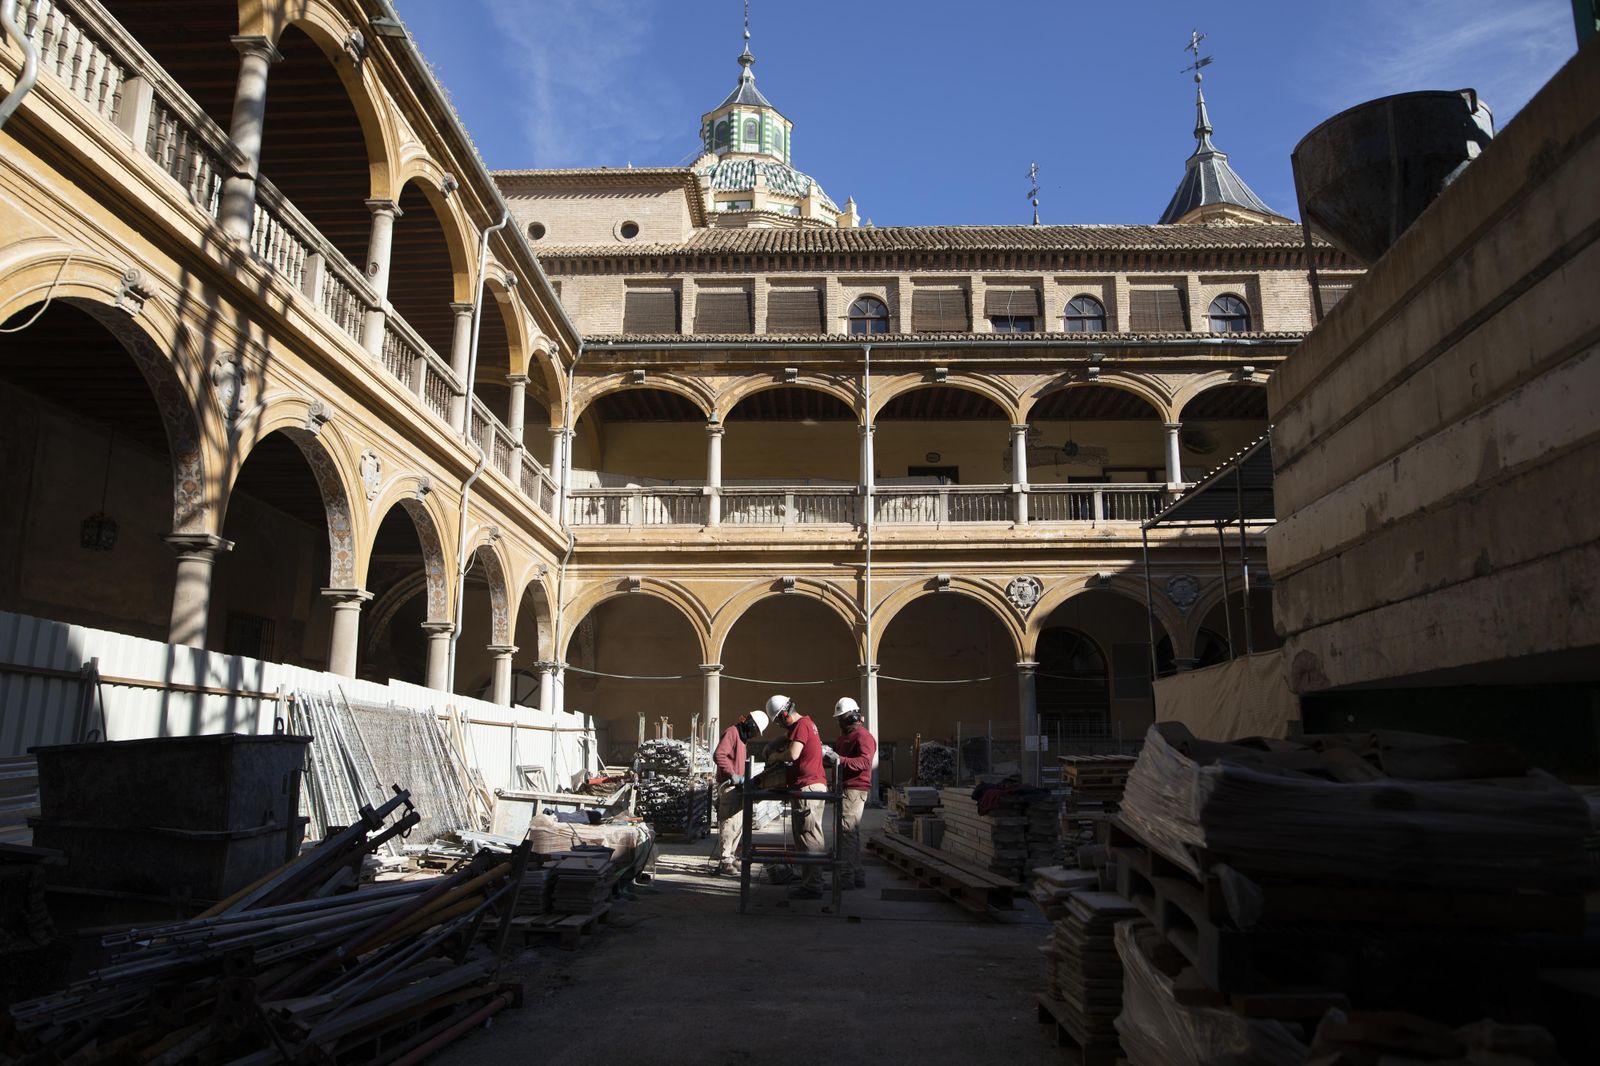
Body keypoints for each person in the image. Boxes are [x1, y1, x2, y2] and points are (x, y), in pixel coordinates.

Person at [764, 694, 827, 899]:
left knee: (808, 838)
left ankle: (812, 886)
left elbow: (793, 754)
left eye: (779, 722)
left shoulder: (801, 725)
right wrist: (775, 743)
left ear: (784, 715)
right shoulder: (806, 724)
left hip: (807, 788)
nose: (781, 726)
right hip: (813, 787)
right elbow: (788, 739)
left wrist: (775, 756)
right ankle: (813, 879)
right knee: (812, 836)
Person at [710, 709, 769, 875]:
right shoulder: (732, 732)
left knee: (738, 825)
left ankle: (731, 855)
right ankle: (725, 861)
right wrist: (732, 774)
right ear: (751, 725)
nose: (754, 735)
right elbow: (719, 755)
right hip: (729, 786)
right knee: (729, 824)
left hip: (738, 787)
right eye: (755, 731)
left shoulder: (742, 739)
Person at [830, 697, 877, 889]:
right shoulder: (844, 738)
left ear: (853, 717)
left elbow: (865, 762)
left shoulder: (863, 737)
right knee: (850, 834)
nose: (839, 723)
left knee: (847, 833)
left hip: (854, 790)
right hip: (844, 788)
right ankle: (857, 874)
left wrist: (839, 759)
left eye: (841, 719)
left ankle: (846, 877)